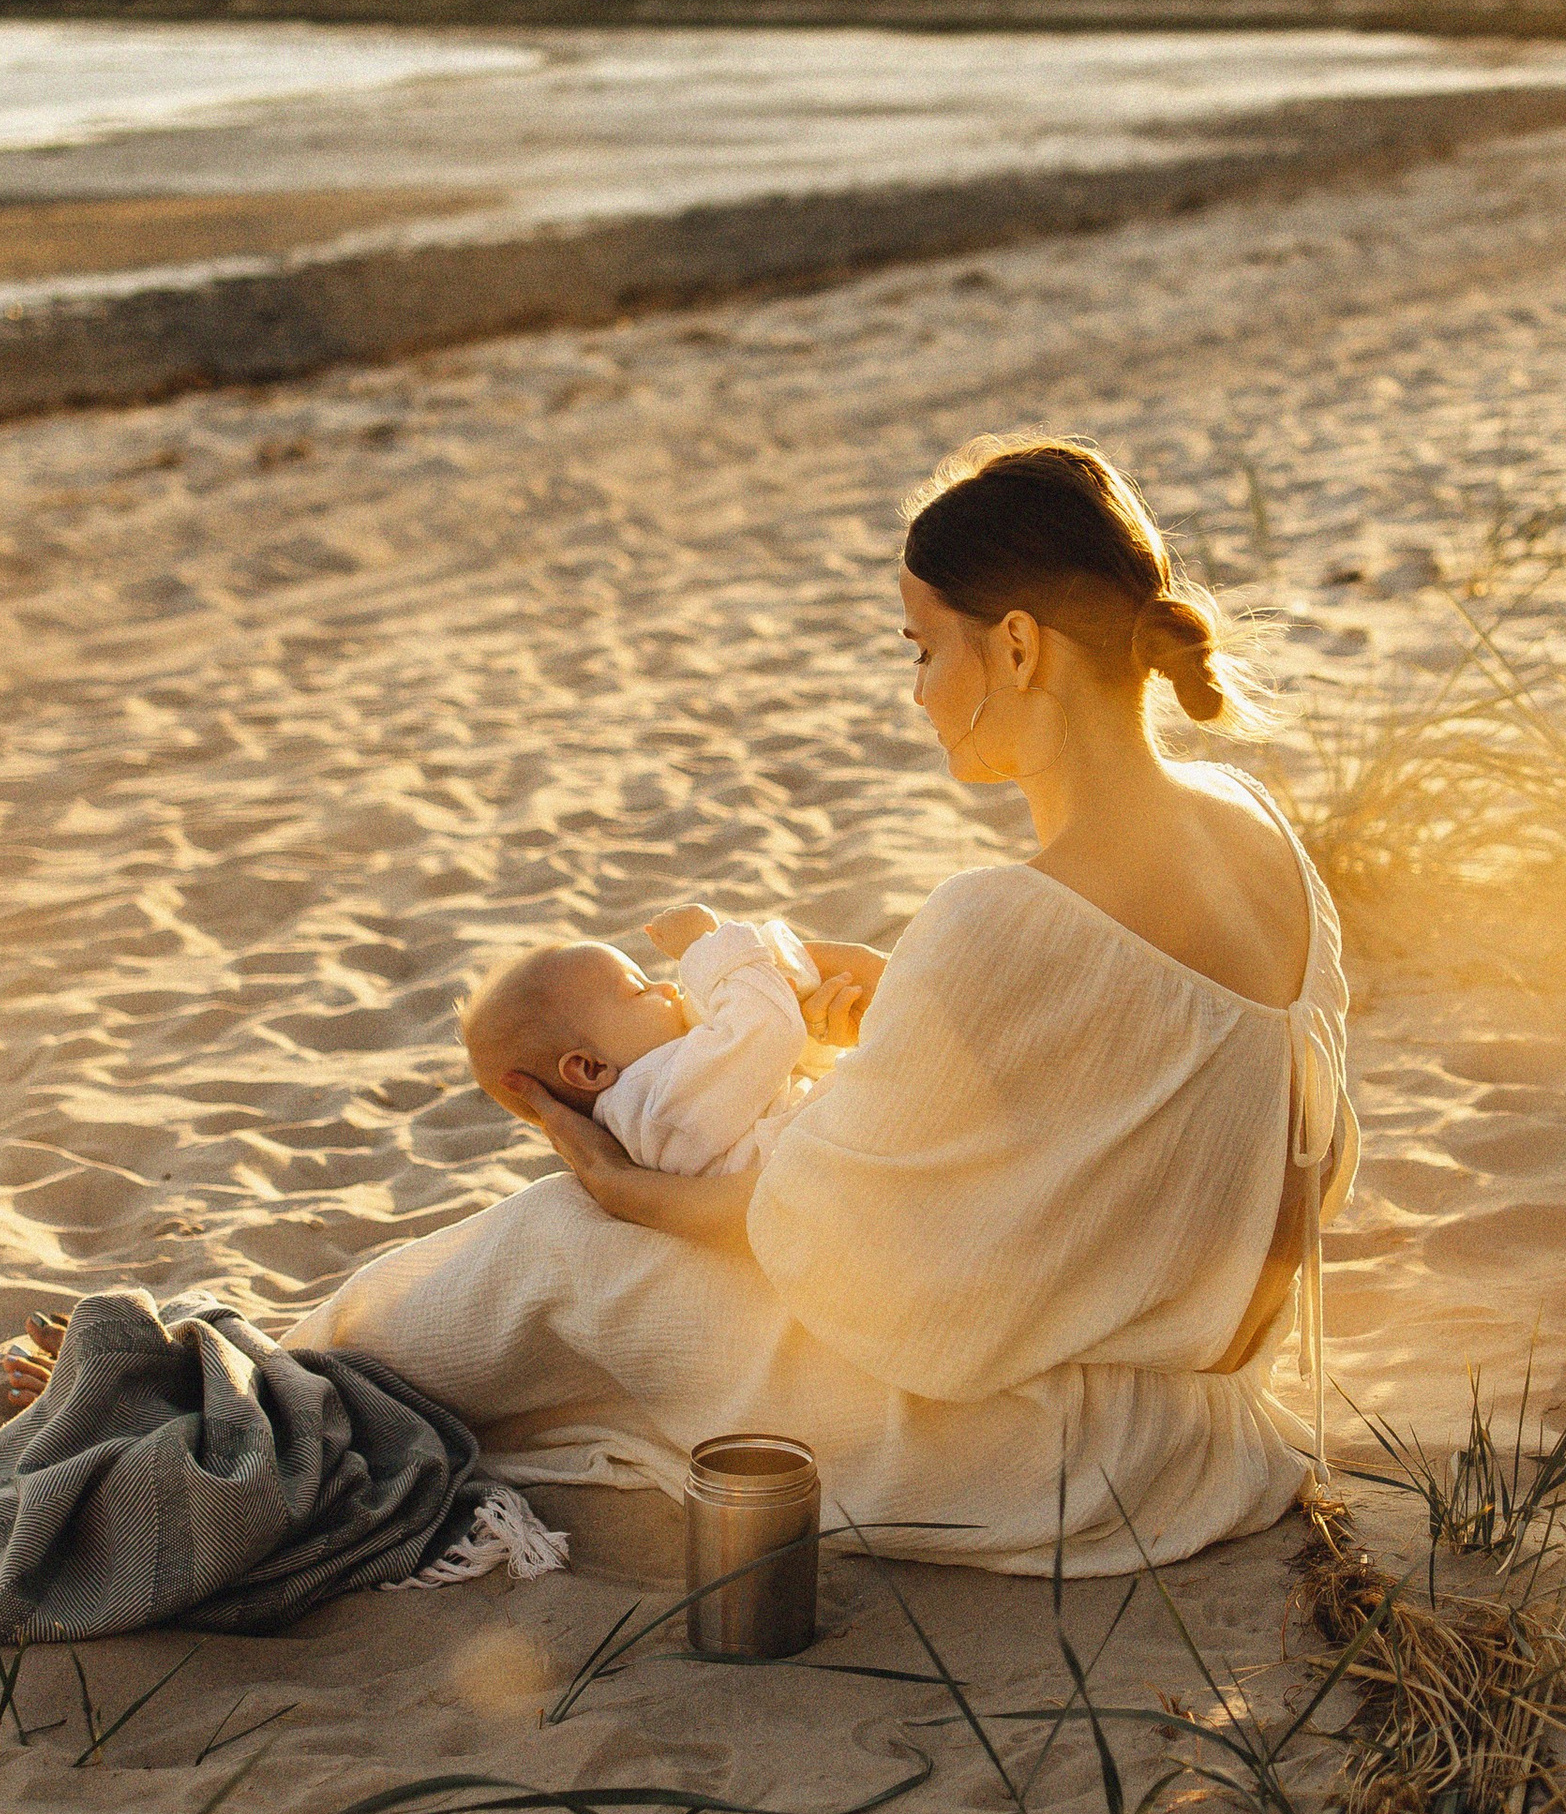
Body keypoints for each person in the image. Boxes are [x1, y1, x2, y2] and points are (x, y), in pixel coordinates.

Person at [287, 435, 1353, 1578]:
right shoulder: (1253, 827)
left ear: (1017, 646)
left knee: (563, 1246)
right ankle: (295, 1377)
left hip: (1055, 1462)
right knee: (622, 1239)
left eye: (922, 649)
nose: (918, 693)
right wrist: (914, 1007)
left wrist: (619, 1187)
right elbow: (1145, 1093)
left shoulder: (999, 918)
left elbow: (835, 1245)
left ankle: (269, 1401)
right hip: (1210, 1423)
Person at [458, 906, 873, 1178]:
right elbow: (768, 1033)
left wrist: (813, 1042)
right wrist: (705, 944)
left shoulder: (659, 1097)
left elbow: (777, 1074)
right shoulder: (655, 1105)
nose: (668, 989)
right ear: (590, 1068)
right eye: (640, 990)